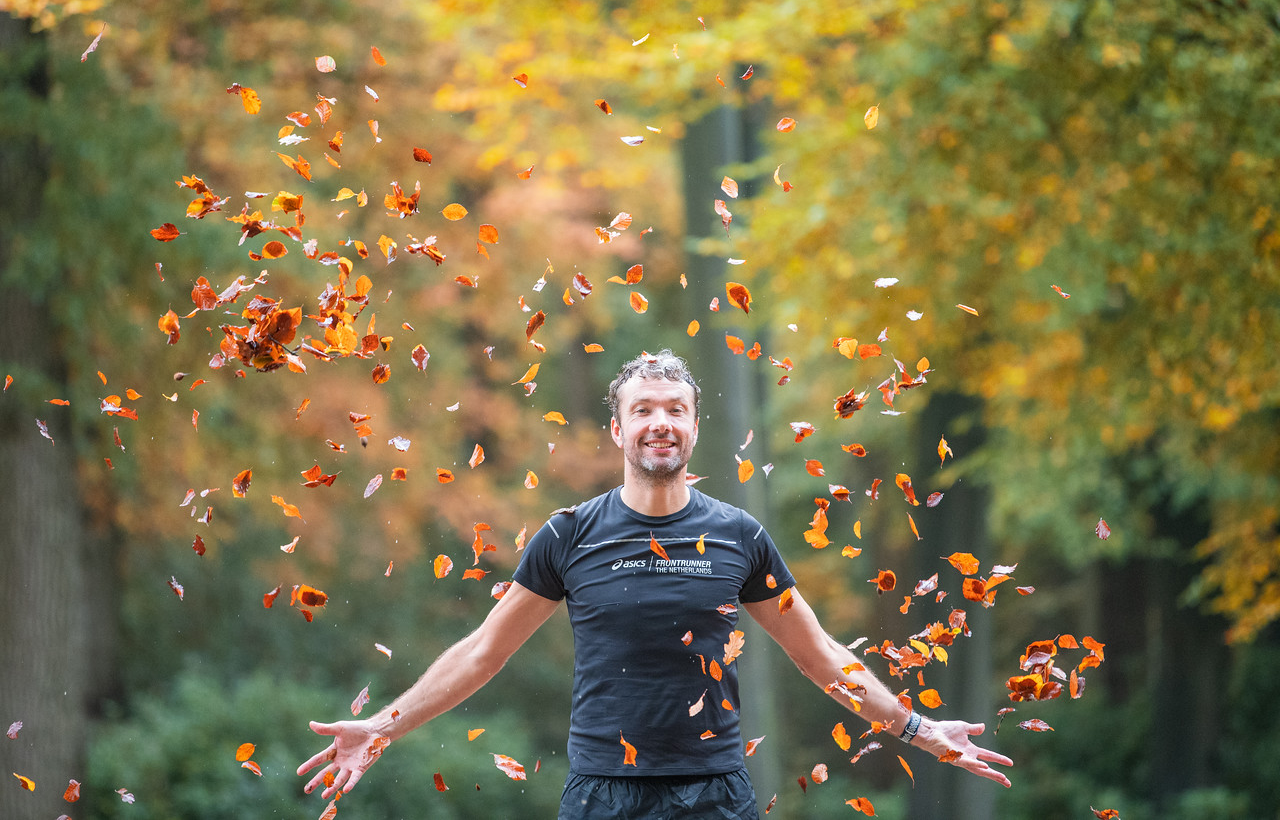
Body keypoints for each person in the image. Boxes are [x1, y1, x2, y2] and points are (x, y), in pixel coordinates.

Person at [298, 349, 1013, 817]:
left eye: (675, 409)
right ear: (617, 429)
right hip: (602, 793)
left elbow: (819, 653)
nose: (660, 422)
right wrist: (381, 726)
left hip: (716, 792)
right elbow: (484, 651)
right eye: (644, 409)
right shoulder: (569, 534)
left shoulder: (740, 536)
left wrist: (918, 729)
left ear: (695, 426)